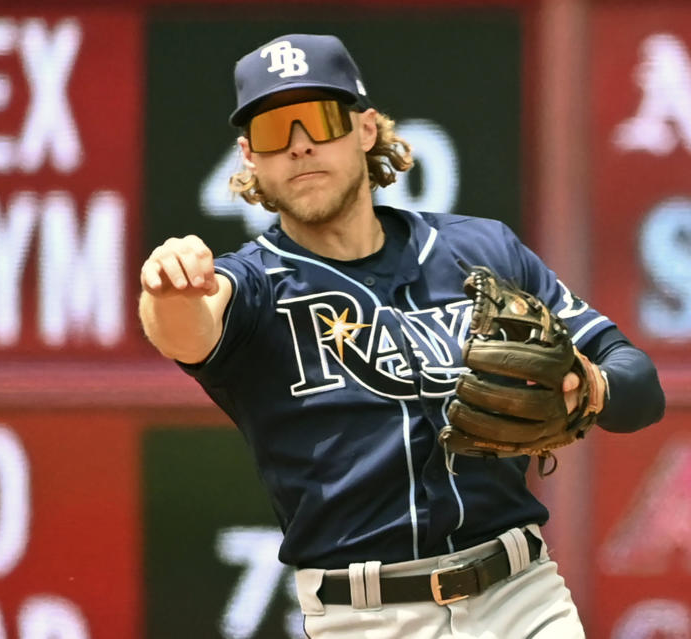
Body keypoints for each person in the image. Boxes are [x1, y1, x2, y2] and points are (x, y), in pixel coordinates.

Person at [138, 33, 665, 638]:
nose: (300, 145)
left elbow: (640, 386)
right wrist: (168, 291)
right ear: (249, 157)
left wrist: (591, 385)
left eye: (319, 118)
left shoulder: (480, 249)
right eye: (272, 132)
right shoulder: (255, 286)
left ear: (365, 129)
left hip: (521, 596)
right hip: (365, 617)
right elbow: (187, 331)